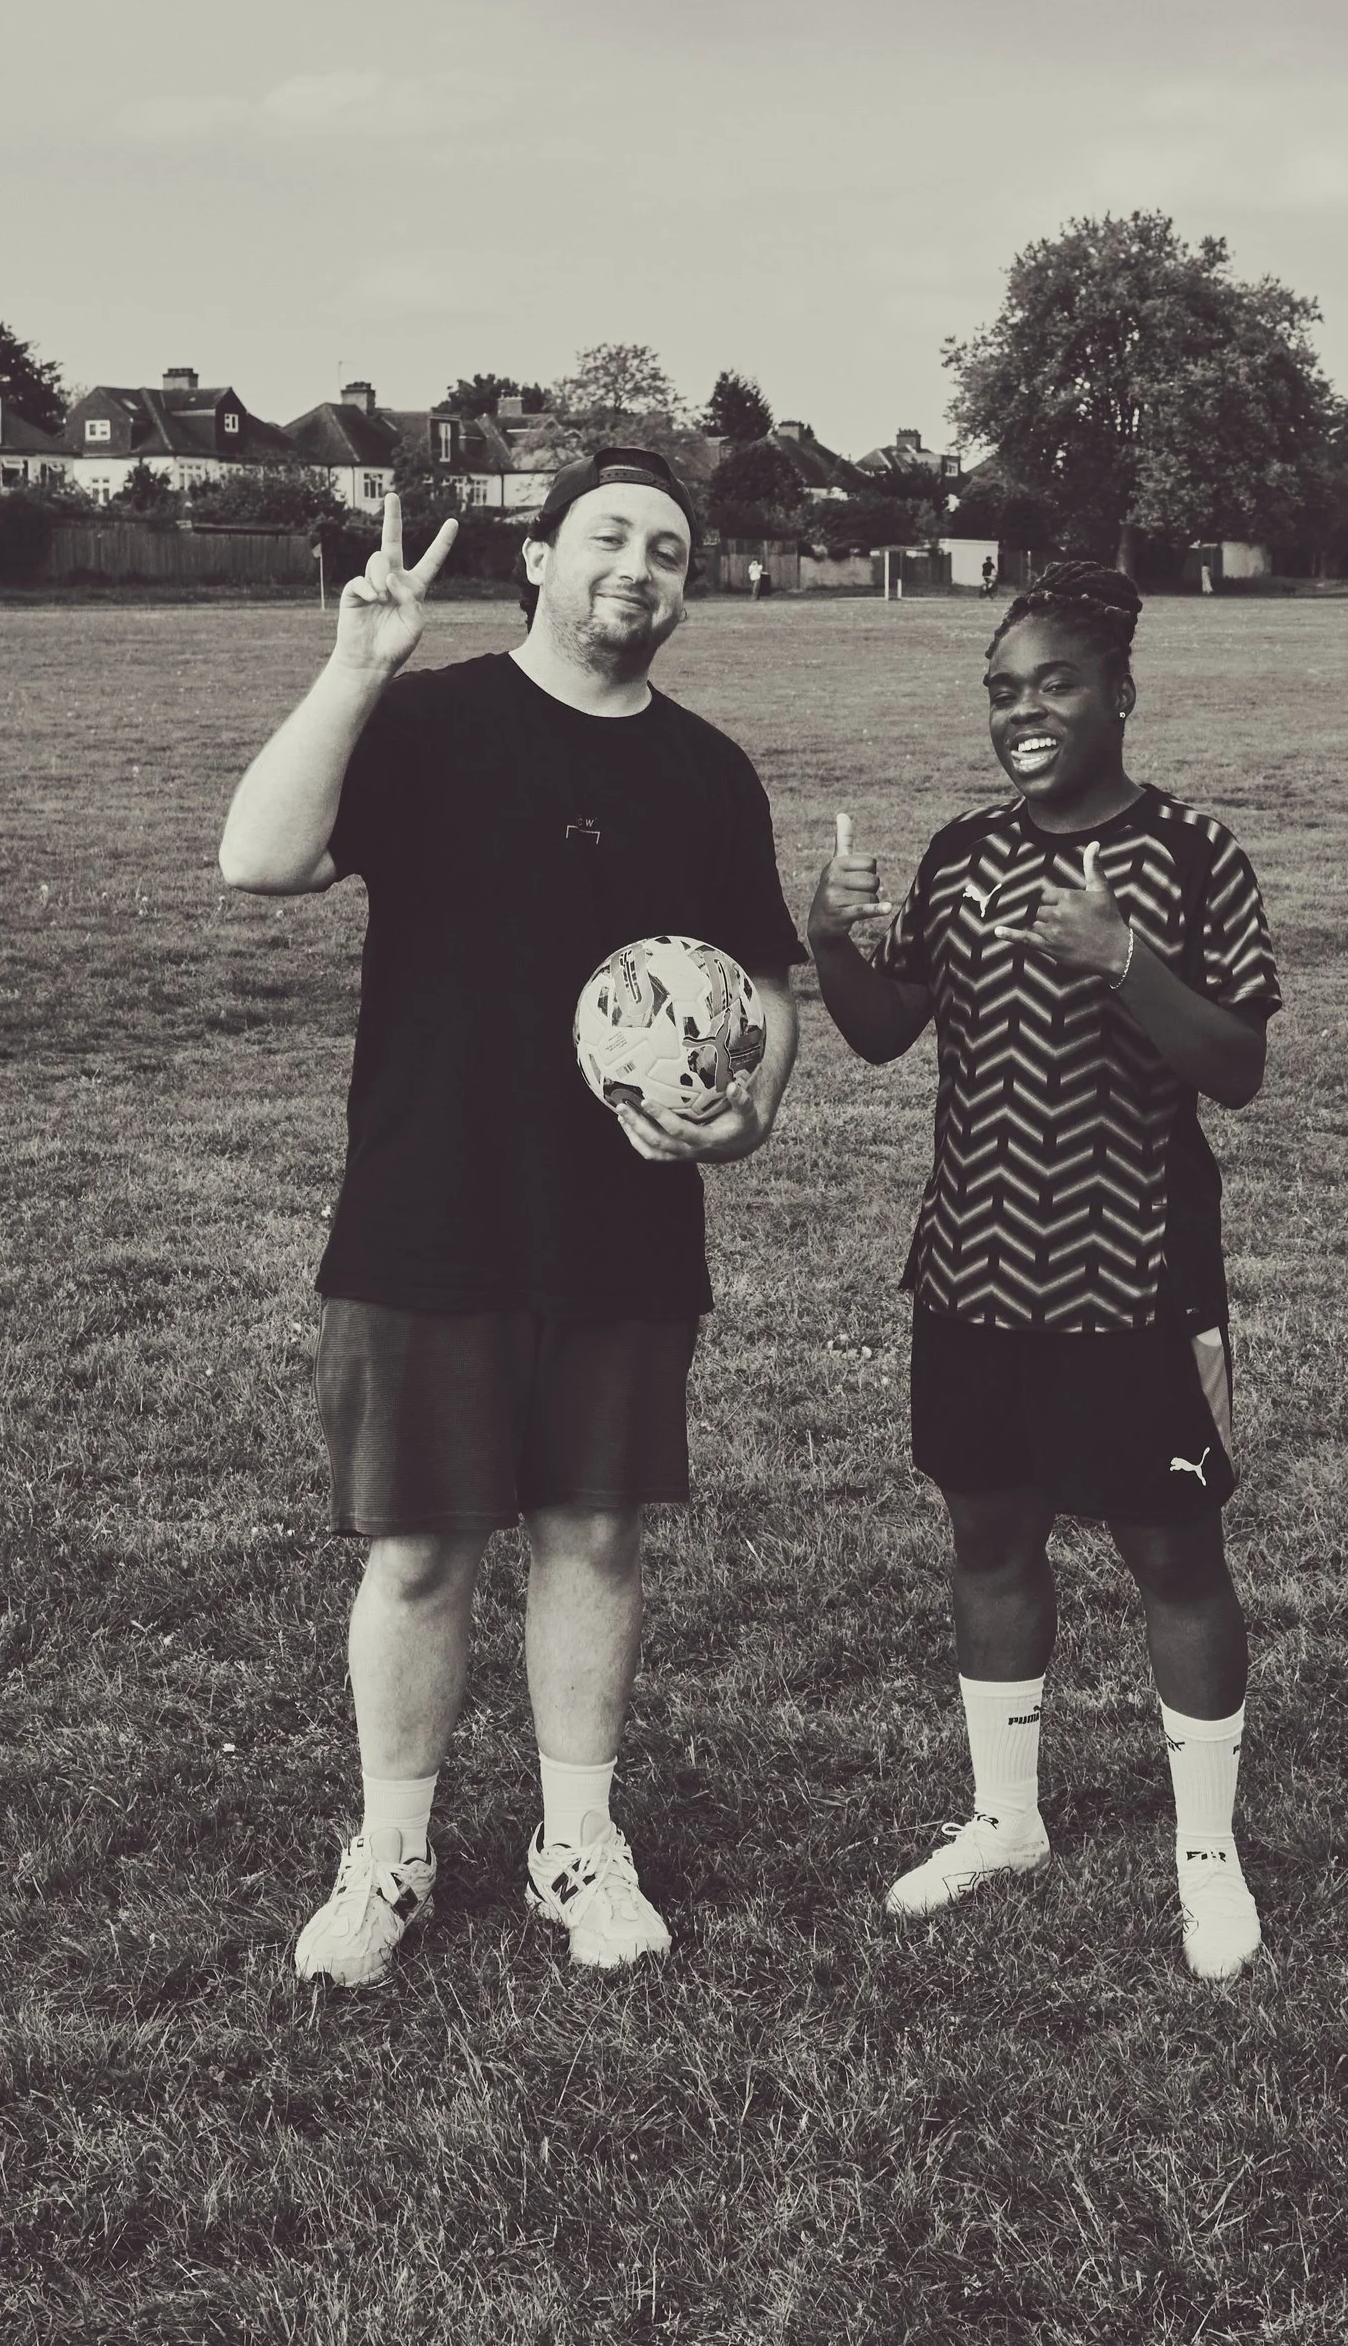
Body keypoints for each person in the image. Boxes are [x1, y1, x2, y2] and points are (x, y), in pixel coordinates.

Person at [219, 452, 804, 1984]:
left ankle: (575, 1845)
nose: (640, 567)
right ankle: (392, 1854)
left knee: (594, 1534)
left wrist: (748, 1111)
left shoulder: (708, 773)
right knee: (420, 1548)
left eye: (669, 550)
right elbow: (260, 857)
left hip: (622, 1221)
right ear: (538, 555)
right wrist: (353, 671)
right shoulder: (428, 724)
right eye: (609, 535)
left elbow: (763, 984)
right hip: (429, 1202)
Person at [806, 560, 1281, 1980]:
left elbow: (1239, 1066)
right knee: (990, 1533)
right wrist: (831, 936)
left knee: (1171, 1555)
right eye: (1002, 689)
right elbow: (884, 1030)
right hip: (969, 1270)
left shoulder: (1191, 852)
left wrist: (1123, 955)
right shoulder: (963, 850)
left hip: (1133, 1277)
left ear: (1119, 695)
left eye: (1053, 684)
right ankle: (1005, 1816)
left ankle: (1209, 1853)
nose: (1023, 710)